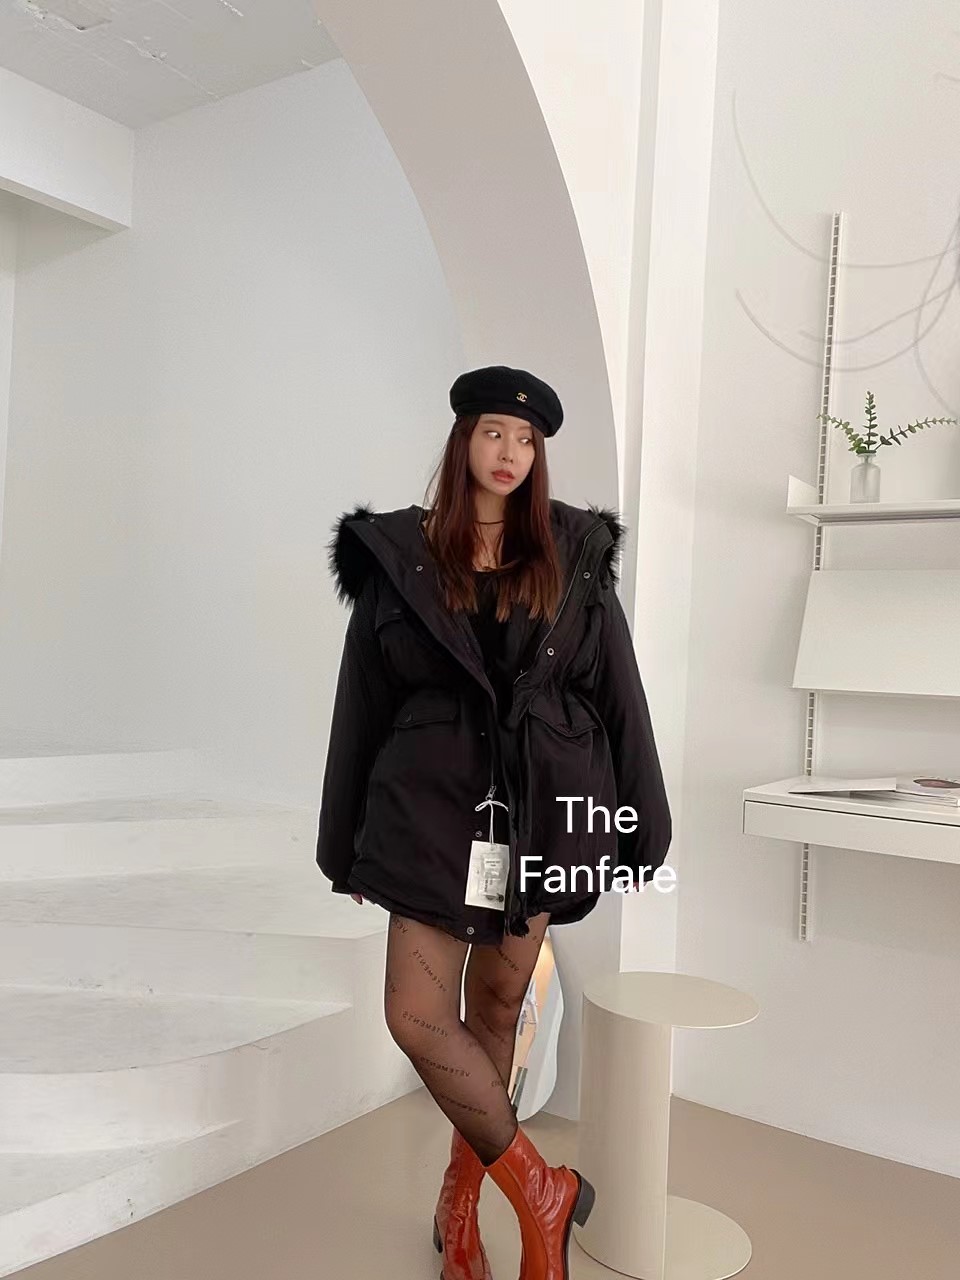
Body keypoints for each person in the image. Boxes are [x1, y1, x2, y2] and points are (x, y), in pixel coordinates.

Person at [316, 364, 672, 1280]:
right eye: (492, 433)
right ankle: (541, 1191)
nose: (509, 452)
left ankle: (462, 1202)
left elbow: (619, 693)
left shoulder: (573, 554)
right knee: (416, 1014)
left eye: (526, 439)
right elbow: (361, 704)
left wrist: (644, 823)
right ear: (463, 441)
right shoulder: (399, 557)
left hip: (545, 812)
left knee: (499, 1010)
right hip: (428, 814)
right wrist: (341, 841)